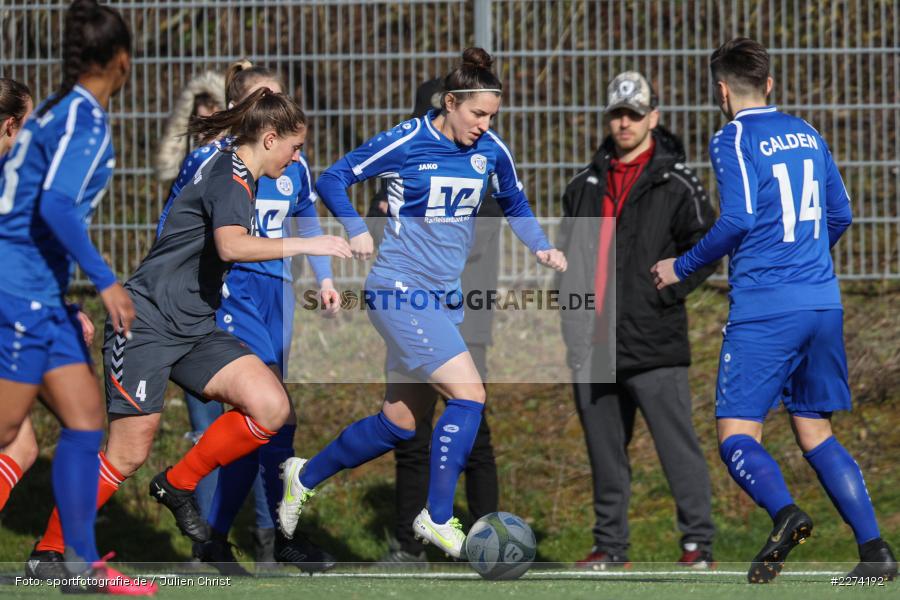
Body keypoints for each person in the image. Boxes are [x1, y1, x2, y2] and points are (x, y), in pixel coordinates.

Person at [27, 88, 351, 577]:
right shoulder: (230, 175)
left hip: (195, 326)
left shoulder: (238, 171)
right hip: (146, 322)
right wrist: (309, 243)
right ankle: (48, 552)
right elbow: (231, 245)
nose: (296, 157)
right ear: (269, 138)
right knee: (127, 453)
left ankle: (177, 485)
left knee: (270, 406)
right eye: (295, 147)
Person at [277, 47, 566, 560]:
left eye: (491, 116)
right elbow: (334, 178)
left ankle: (304, 475)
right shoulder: (408, 140)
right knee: (470, 395)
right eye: (477, 114)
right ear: (450, 103)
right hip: (397, 290)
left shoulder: (490, 150)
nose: (484, 125)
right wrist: (356, 228)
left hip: (441, 299)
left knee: (399, 423)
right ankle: (435, 515)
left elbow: (515, 200)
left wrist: (539, 245)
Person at [652, 37, 897, 583]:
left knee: (736, 434)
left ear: (721, 91)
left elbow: (738, 219)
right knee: (815, 431)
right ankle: (875, 551)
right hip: (822, 302)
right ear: (769, 84)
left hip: (767, 308)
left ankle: (787, 515)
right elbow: (841, 213)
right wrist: (807, 261)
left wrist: (682, 266)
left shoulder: (733, 138)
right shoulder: (808, 132)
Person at [153, 60, 338, 575]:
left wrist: (324, 279)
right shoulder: (213, 163)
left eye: (280, 99)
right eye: (264, 100)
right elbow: (174, 227)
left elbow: (307, 218)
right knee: (269, 413)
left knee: (267, 423)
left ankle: (233, 539)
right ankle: (268, 536)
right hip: (233, 292)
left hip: (276, 294)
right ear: (241, 109)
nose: (276, 110)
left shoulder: (292, 163)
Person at [0, 1, 157, 594]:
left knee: (86, 420)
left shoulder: (55, 111)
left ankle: (79, 565)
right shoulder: (83, 121)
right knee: (8, 428)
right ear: (121, 60)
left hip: (38, 292)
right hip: (19, 289)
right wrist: (105, 280)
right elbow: (55, 206)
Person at [557, 71, 718, 570]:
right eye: (617, 114)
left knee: (677, 448)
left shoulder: (678, 182)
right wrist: (569, 321)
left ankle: (698, 544)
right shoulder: (582, 185)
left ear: (654, 117)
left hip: (654, 341)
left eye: (634, 113)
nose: (624, 123)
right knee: (605, 455)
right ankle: (610, 546)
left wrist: (668, 292)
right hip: (592, 345)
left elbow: (708, 246)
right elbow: (565, 260)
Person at [365, 78, 500, 564]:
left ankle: (487, 539)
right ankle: (411, 543)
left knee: (473, 426)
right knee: (409, 429)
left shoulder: (479, 163)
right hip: (409, 309)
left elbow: (479, 236)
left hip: (463, 314)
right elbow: (381, 229)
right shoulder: (407, 162)